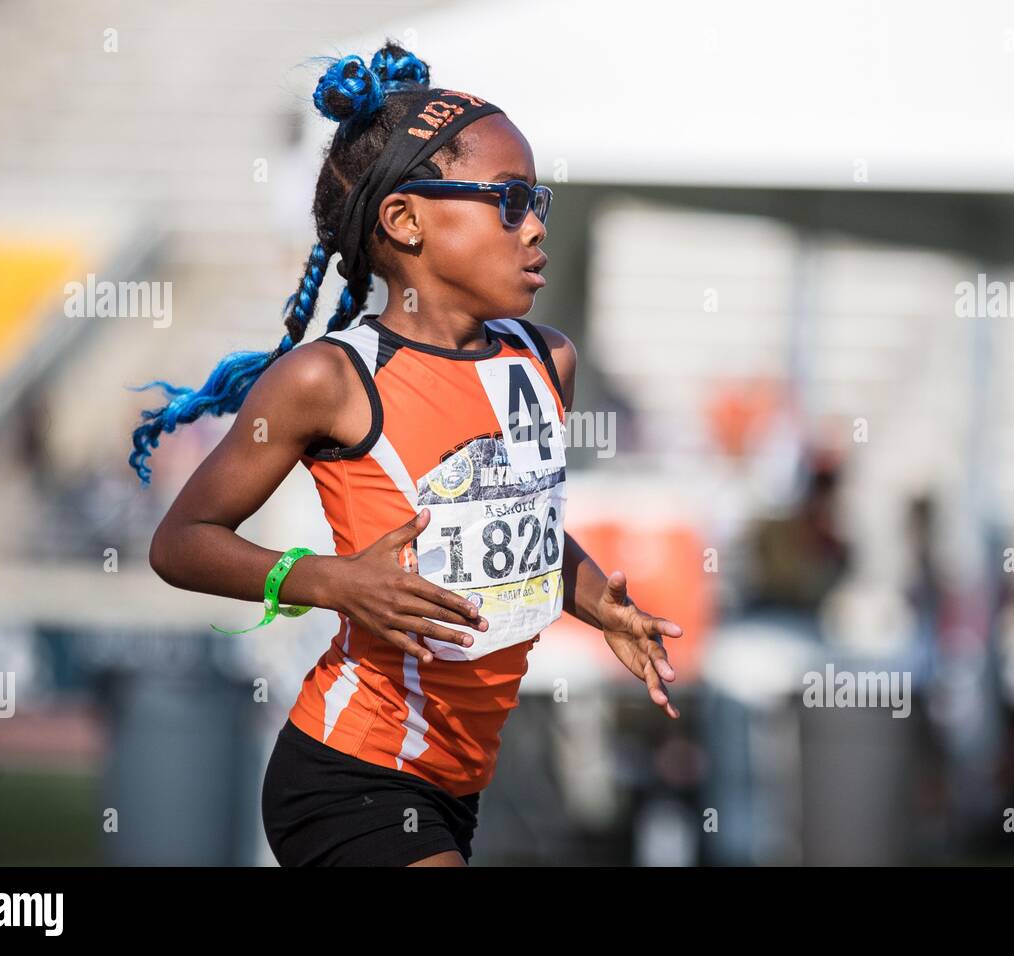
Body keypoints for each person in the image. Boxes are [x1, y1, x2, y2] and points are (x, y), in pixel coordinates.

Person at [126, 42, 682, 867]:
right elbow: (181, 543)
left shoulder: (547, 360)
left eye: (541, 201)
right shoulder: (329, 376)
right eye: (509, 200)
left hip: (457, 783)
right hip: (352, 771)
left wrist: (602, 604)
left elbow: (517, 525)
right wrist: (332, 581)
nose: (534, 226)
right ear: (406, 221)